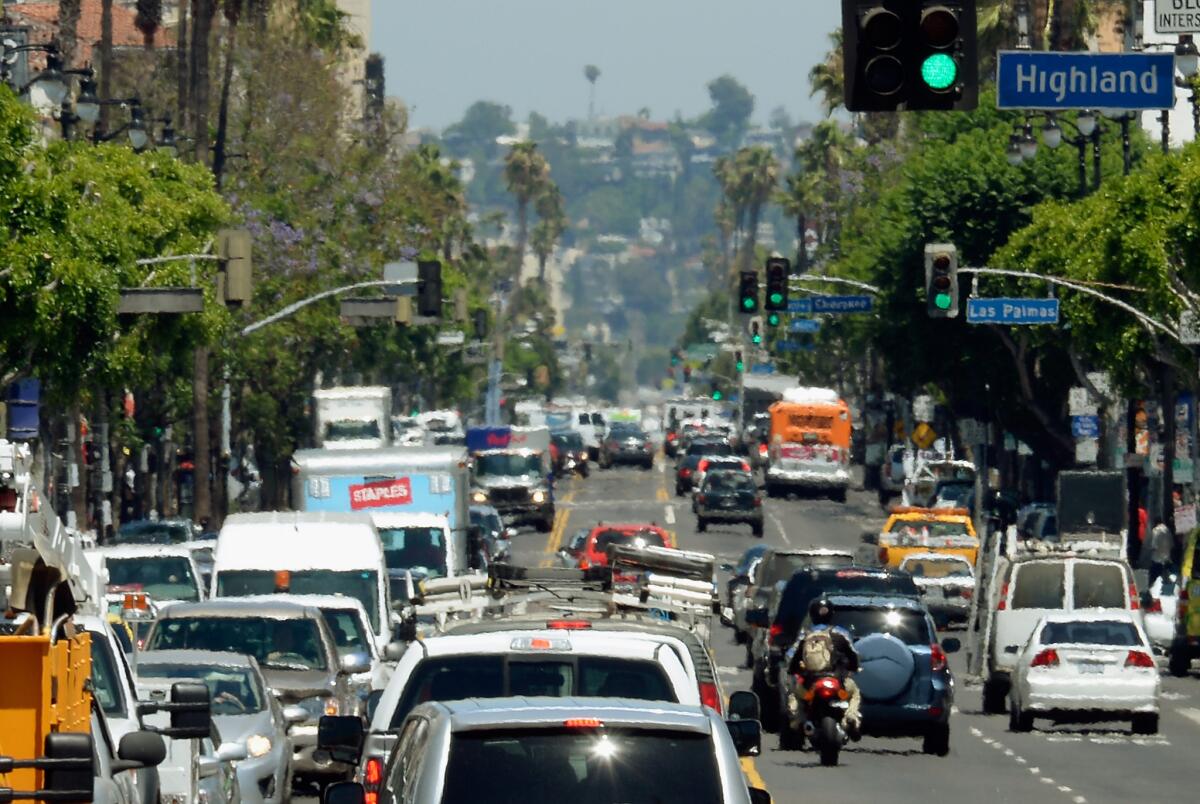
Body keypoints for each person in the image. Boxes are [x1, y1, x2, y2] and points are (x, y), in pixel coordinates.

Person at [786, 598, 863, 740]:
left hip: (811, 685)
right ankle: (851, 717)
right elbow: (853, 655)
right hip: (838, 682)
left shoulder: (806, 634)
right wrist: (854, 668)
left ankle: (798, 721)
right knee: (854, 692)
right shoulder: (841, 633)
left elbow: (792, 657)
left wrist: (793, 670)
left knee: (794, 693)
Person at [1150, 519, 1174, 585]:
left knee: (1154, 574)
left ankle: (1152, 586)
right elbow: (1172, 544)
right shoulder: (1168, 530)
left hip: (1157, 557)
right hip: (1167, 557)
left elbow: (1154, 545)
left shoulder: (1155, 530)